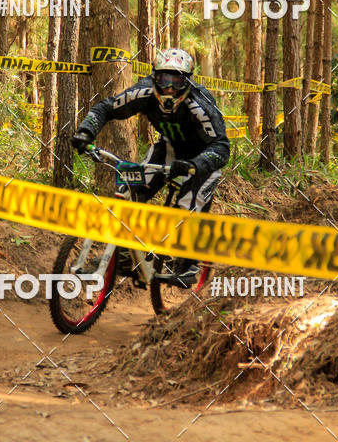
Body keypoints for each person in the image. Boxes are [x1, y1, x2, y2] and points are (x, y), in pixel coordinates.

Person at [72, 48, 230, 286]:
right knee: (133, 188)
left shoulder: (200, 103)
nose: (170, 88)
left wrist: (194, 165)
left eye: (177, 81)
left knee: (186, 205)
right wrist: (86, 131)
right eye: (165, 79)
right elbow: (107, 107)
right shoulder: (144, 91)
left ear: (187, 80)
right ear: (155, 76)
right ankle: (123, 255)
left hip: (201, 160)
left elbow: (221, 147)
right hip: (169, 151)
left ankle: (188, 266)